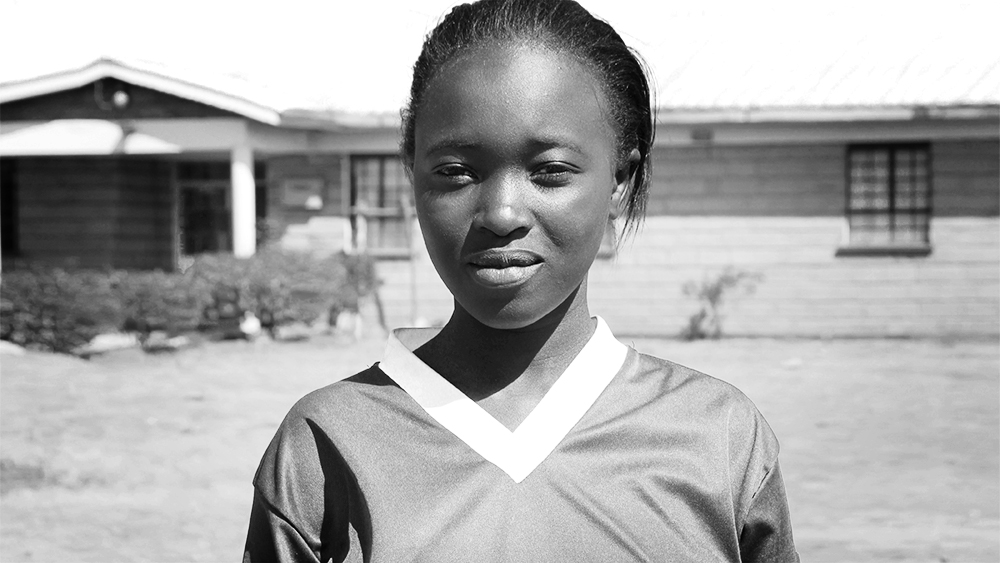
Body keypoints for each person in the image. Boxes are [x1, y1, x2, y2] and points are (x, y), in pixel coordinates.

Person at [244, 0, 799, 560]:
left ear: (620, 182)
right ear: (411, 175)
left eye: (550, 172)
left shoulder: (719, 438)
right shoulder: (326, 445)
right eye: (456, 172)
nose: (502, 212)